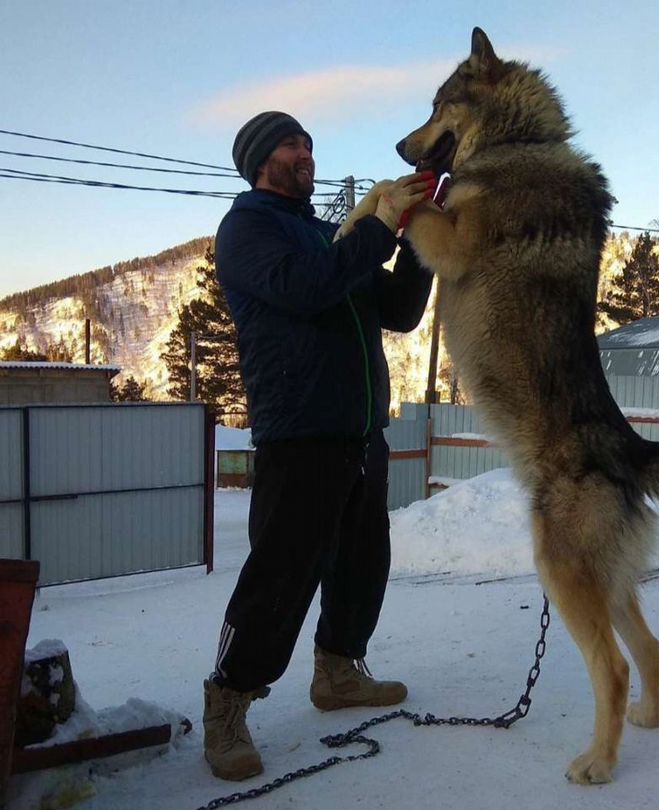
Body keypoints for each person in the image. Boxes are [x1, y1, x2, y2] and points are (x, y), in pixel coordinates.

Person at [203, 111, 435, 781]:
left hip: (361, 429)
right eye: (289, 143)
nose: (305, 151)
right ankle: (228, 698)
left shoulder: (325, 235)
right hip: (300, 432)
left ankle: (338, 670)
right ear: (258, 160)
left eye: (307, 142)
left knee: (363, 563)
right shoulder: (248, 228)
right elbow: (306, 289)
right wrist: (372, 229)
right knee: (281, 575)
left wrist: (419, 236)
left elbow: (397, 311)